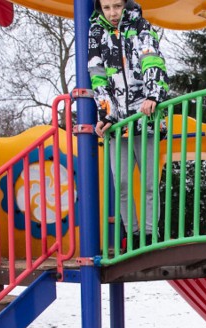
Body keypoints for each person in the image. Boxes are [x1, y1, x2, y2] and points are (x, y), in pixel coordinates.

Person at [88, 0, 168, 250]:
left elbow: (151, 60)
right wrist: (106, 113)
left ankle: (149, 234)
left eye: (117, 6)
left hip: (144, 116)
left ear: (126, 5)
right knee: (121, 182)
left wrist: (153, 95)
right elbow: (97, 75)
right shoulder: (96, 33)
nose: (113, 13)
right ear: (100, 8)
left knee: (148, 182)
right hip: (118, 121)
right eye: (107, 7)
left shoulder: (141, 26)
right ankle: (132, 235)